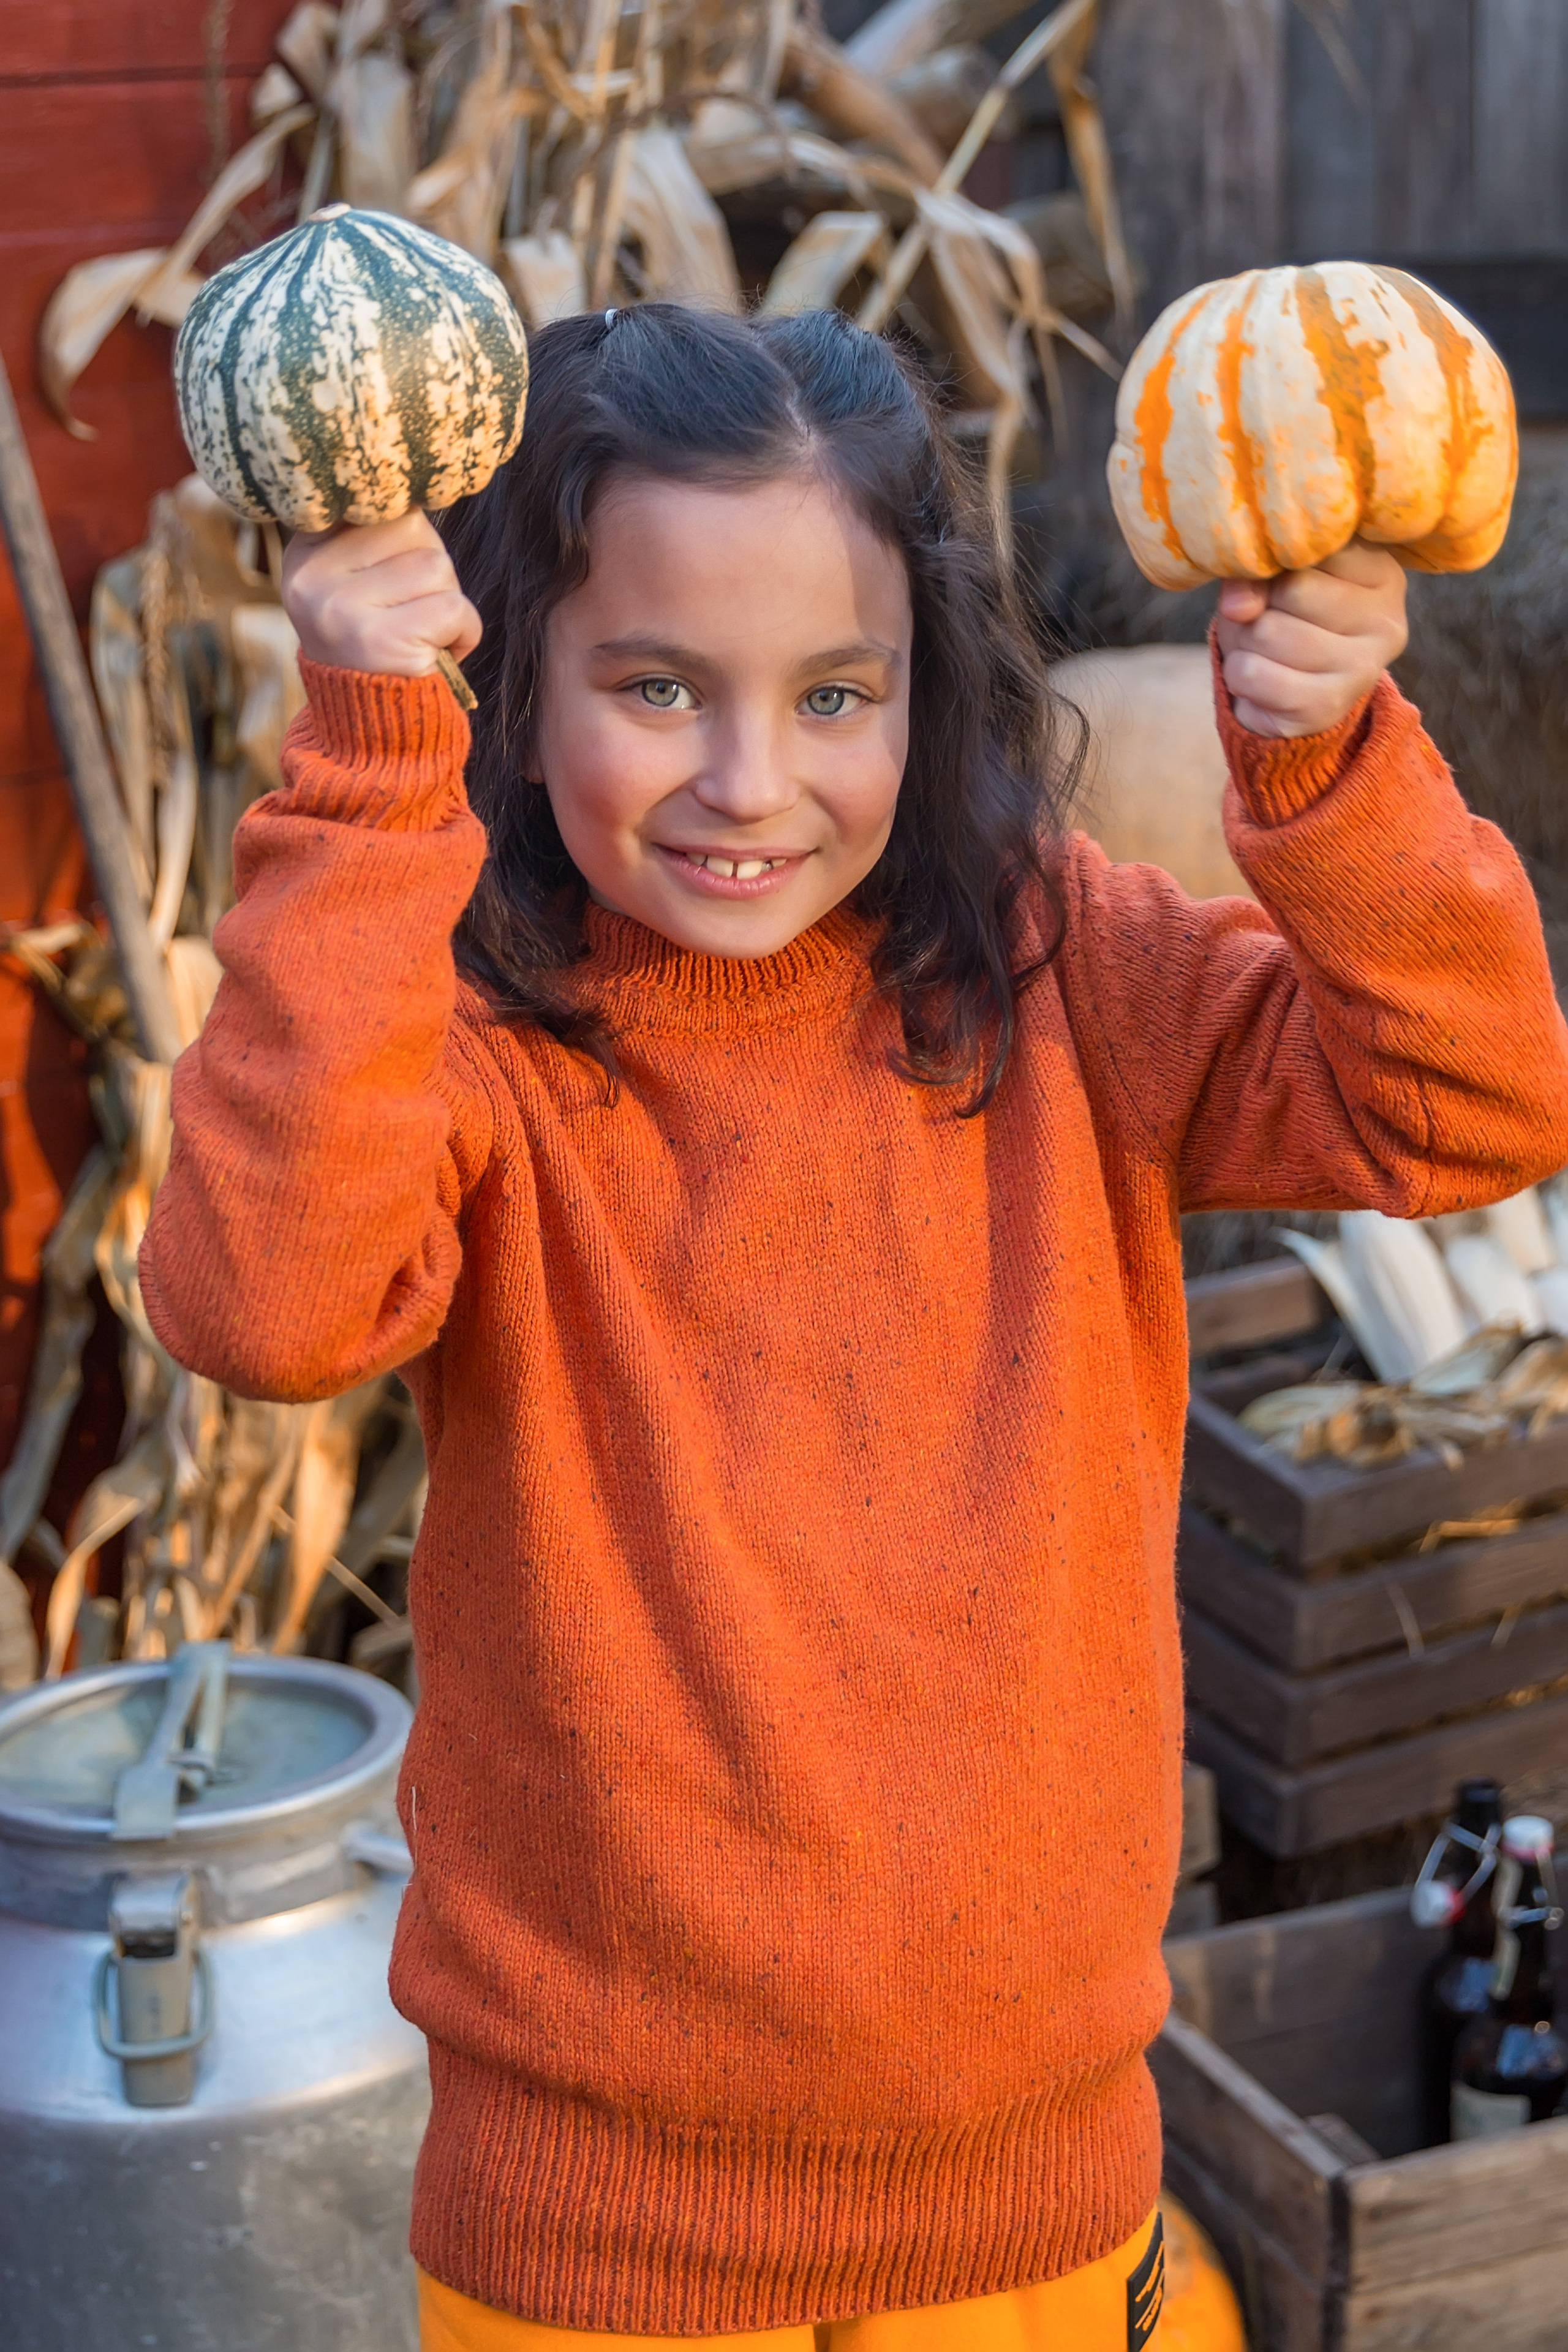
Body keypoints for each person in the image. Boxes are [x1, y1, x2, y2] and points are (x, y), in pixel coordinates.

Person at [138, 304, 1568, 2352]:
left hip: (1031, 2202)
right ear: (512, 688)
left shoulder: (1067, 979)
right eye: (656, 686)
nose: (751, 782)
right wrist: (370, 765)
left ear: (928, 689)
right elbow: (260, 1306)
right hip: (600, 2242)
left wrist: (1328, 759)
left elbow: (1473, 1104)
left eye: (834, 695)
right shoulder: (471, 1050)